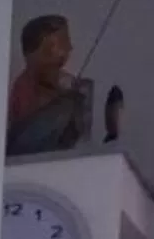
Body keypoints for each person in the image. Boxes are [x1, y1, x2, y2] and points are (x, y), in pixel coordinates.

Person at [8, 13, 92, 155]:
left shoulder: (59, 78)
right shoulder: (26, 83)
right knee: (70, 103)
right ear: (45, 47)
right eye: (64, 42)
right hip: (25, 147)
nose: (70, 47)